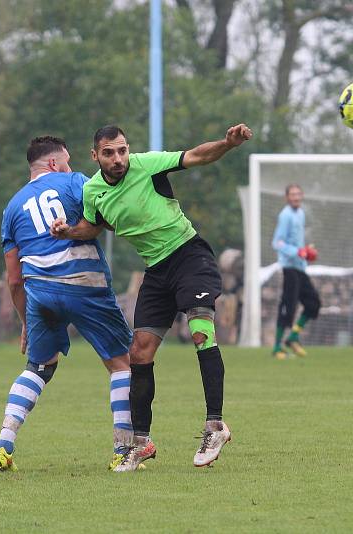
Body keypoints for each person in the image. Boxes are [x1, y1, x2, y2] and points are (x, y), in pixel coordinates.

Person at [51, 123, 253, 470]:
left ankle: (215, 427)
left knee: (201, 330)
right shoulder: (93, 191)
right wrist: (68, 230)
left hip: (189, 255)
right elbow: (93, 225)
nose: (118, 159)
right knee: (139, 352)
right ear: (95, 155)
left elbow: (197, 156)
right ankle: (141, 443)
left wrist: (226, 143)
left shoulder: (148, 165)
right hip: (157, 271)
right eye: (110, 153)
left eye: (123, 150)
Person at [0, 136, 135, 472]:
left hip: (40, 292)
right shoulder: (75, 181)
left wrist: (26, 320)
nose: (70, 166)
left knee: (40, 366)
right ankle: (123, 451)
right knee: (122, 364)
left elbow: (13, 278)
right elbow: (109, 218)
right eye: (67, 161)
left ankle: (3, 444)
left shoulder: (11, 208)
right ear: (54, 163)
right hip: (83, 283)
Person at [270, 184, 321, 360]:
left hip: (300, 267)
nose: (296, 197)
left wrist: (306, 250)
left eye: (298, 194)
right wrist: (297, 252)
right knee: (288, 307)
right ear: (286, 197)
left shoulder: (300, 213)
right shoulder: (285, 215)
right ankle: (277, 348)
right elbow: (277, 243)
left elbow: (295, 243)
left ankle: (292, 338)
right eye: (292, 194)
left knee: (313, 303)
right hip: (289, 268)